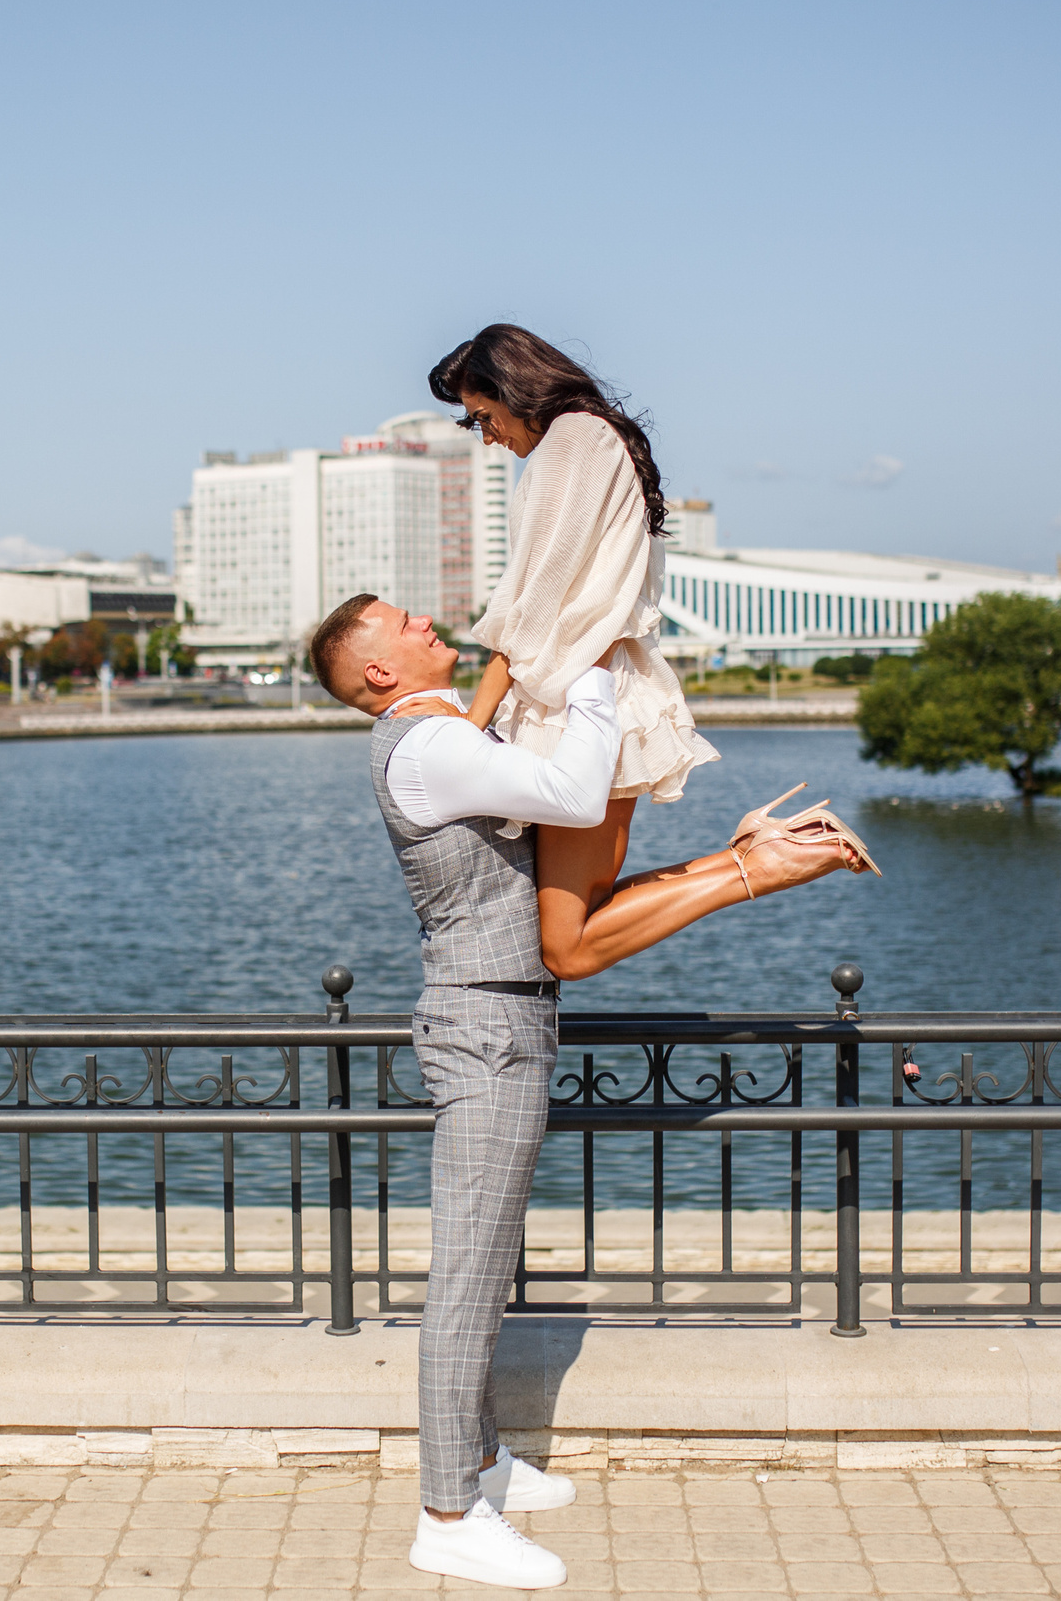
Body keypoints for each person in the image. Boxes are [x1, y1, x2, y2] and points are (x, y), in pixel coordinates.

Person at [309, 594, 873, 1590]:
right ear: (378, 674)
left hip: (505, 1018)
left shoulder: (443, 733)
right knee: (467, 1285)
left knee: (478, 1271)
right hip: (485, 1029)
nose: (424, 618)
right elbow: (572, 793)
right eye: (402, 622)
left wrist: (532, 656)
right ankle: (446, 1516)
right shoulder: (423, 747)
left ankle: (480, 1464)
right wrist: (597, 667)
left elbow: (503, 735)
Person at [430, 325, 879, 984]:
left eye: (481, 416)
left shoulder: (570, 442)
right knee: (586, 917)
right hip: (605, 693)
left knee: (566, 947)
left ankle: (761, 862)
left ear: (513, 387)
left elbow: (530, 602)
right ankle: (759, 853)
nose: (486, 435)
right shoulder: (598, 440)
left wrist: (470, 725)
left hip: (572, 706)